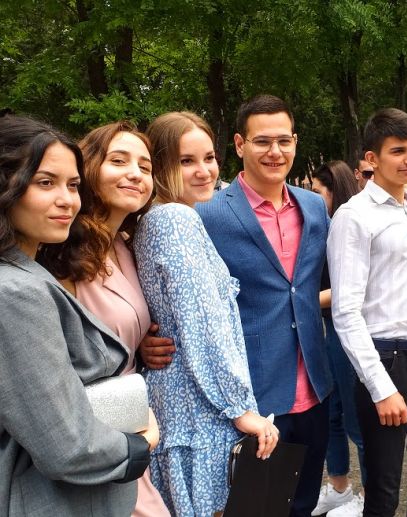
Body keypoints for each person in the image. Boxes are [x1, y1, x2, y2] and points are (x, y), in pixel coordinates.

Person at [0, 114, 158, 516]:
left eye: (72, 185)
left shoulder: (26, 272)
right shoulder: (17, 291)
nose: (67, 200)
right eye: (45, 183)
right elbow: (67, 444)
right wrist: (139, 446)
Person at [134, 111, 278, 516]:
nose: (204, 171)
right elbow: (202, 324)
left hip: (182, 399)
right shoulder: (174, 219)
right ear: (160, 166)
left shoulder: (162, 218)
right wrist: (239, 408)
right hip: (198, 407)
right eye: (186, 161)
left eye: (209, 157)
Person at [196, 95, 333, 517]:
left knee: (304, 503)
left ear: (295, 142)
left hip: (315, 386)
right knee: (257, 508)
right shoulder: (208, 214)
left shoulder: (314, 207)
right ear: (240, 144)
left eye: (284, 141)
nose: (275, 151)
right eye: (262, 141)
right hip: (255, 394)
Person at [37, 121, 171, 516]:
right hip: (96, 432)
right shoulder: (62, 250)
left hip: (133, 420)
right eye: (119, 161)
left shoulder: (124, 245)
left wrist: (140, 346)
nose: (135, 173)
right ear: (90, 169)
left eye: (145, 167)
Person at [329, 108, 407, 517]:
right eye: (398, 151)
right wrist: (380, 387)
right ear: (372, 158)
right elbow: (346, 312)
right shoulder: (354, 216)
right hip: (387, 359)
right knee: (383, 491)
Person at [310, 161, 365, 517]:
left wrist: (303, 300)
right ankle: (340, 488)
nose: (312, 198)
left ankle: (369, 496)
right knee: (330, 413)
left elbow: (352, 288)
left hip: (349, 332)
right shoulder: (320, 227)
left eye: (317, 192)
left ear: (334, 191)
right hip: (326, 332)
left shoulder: (351, 225)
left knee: (356, 419)